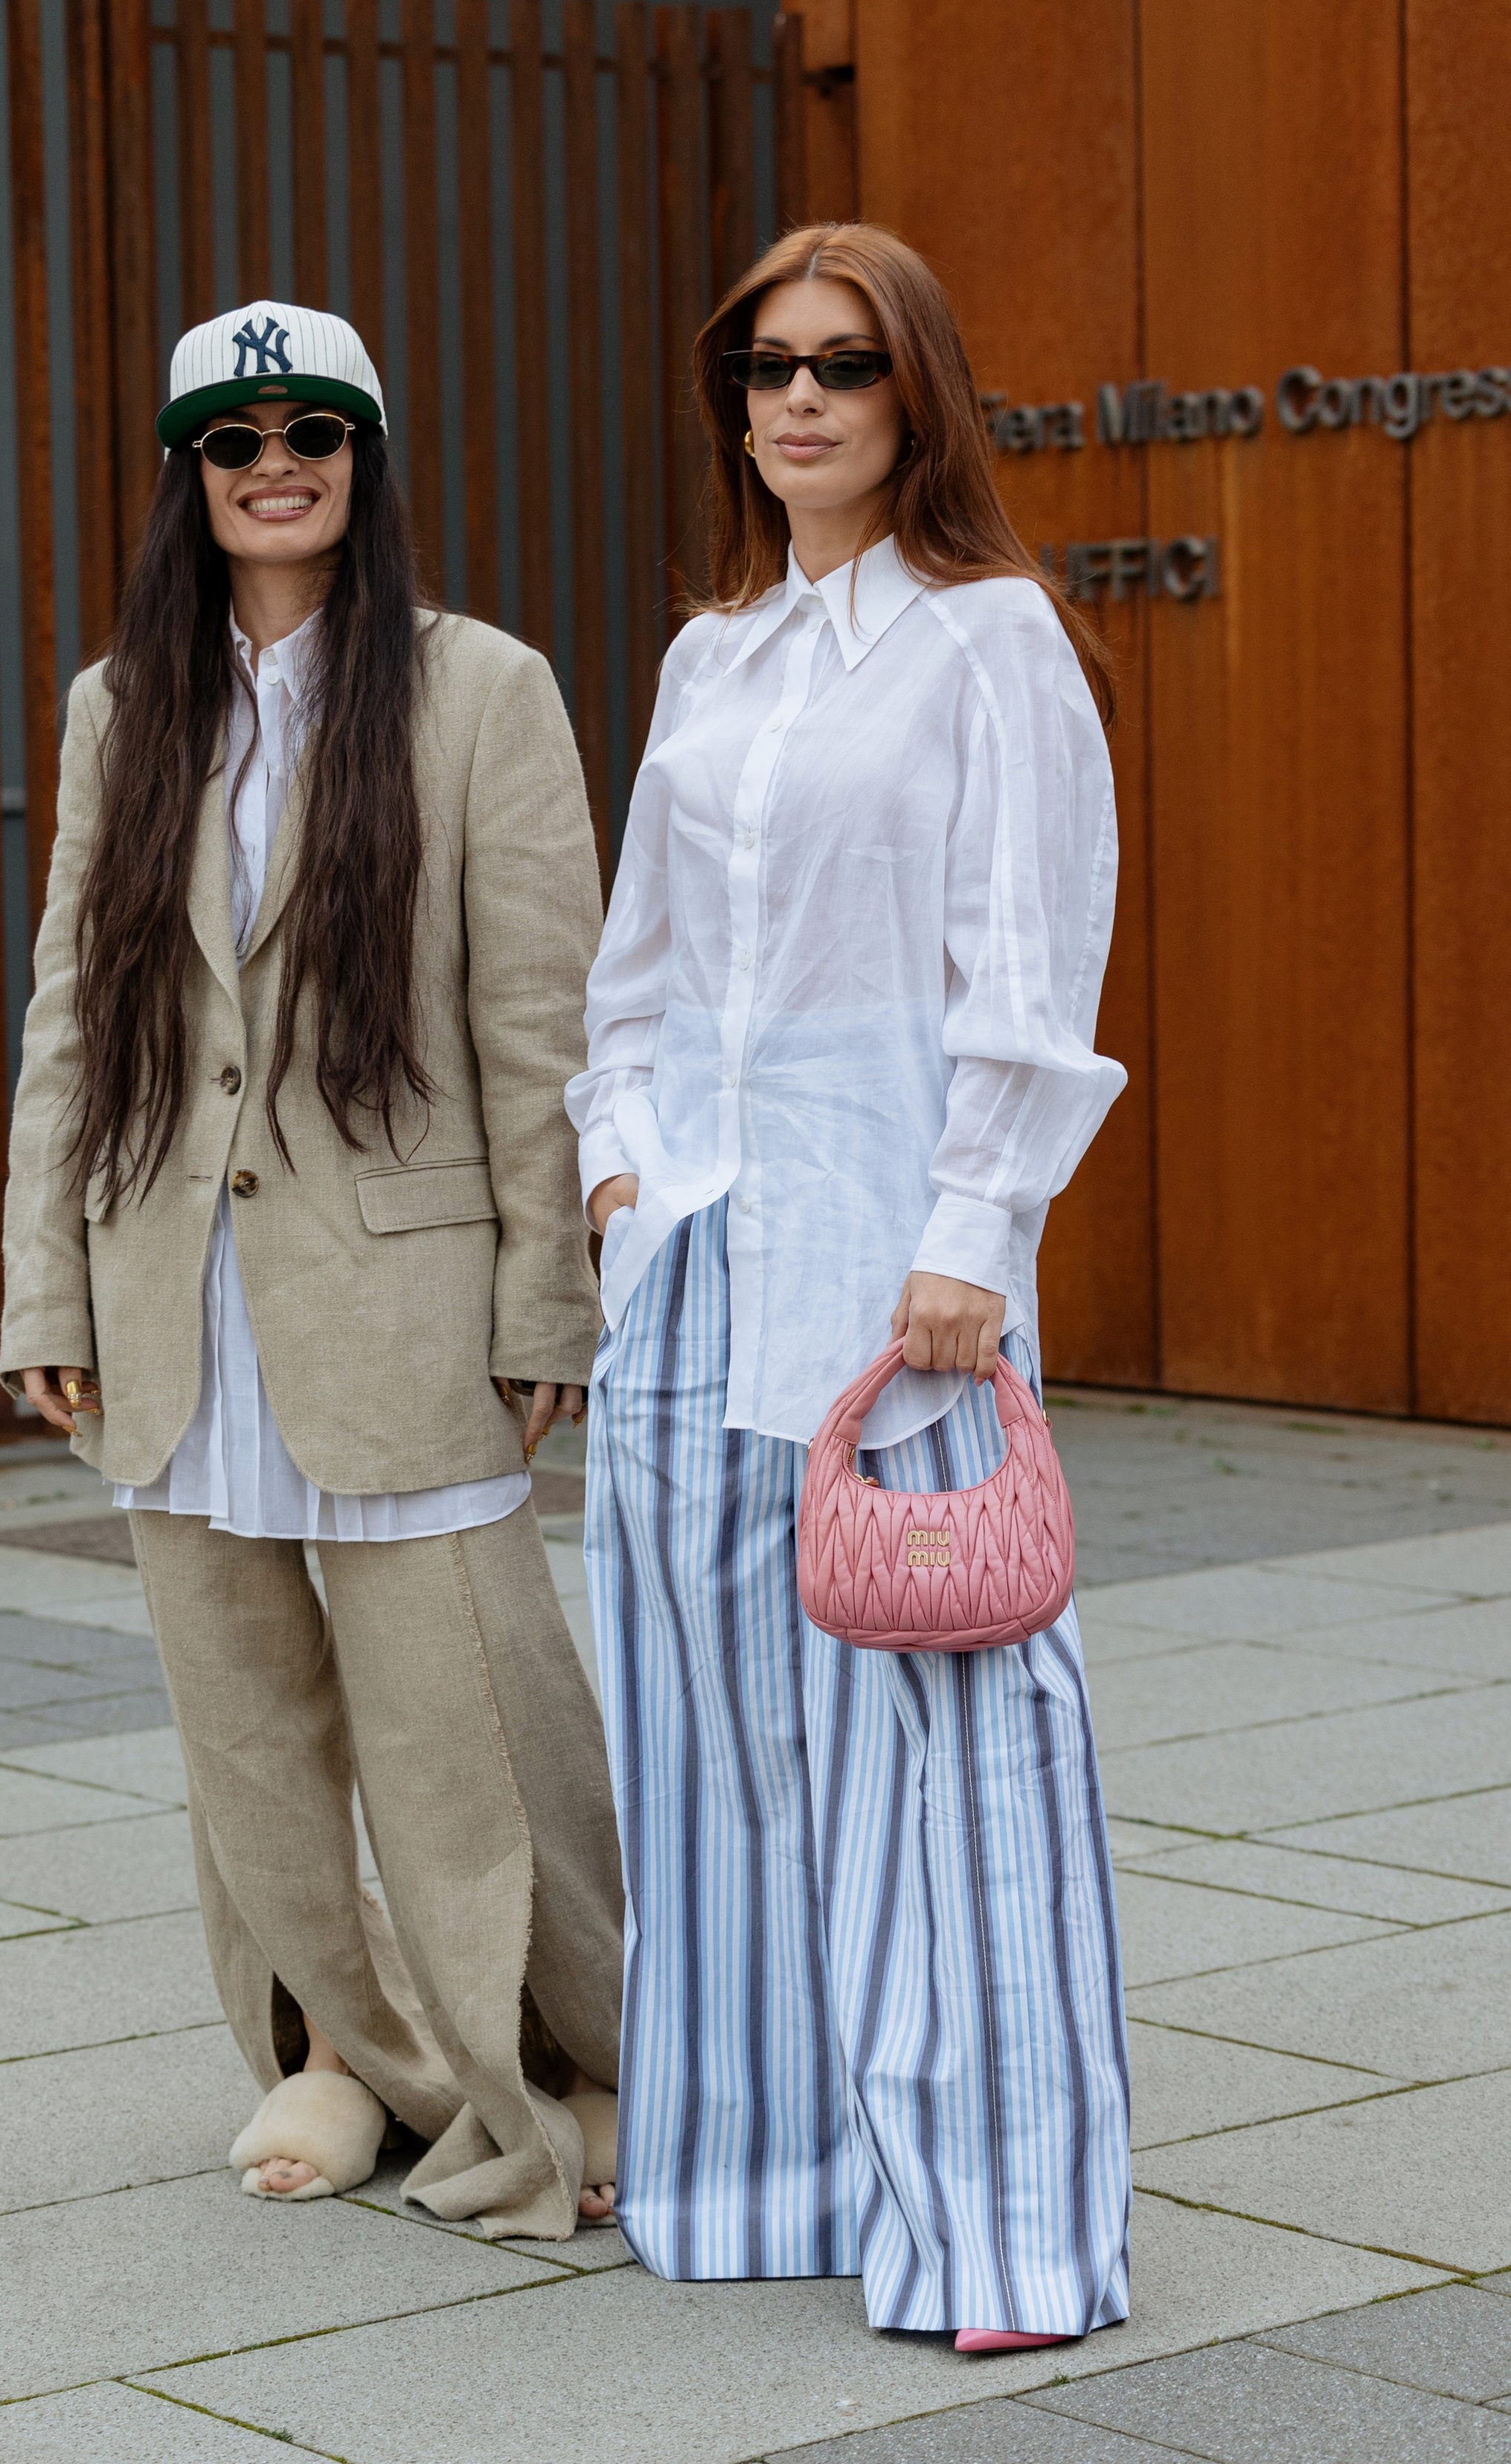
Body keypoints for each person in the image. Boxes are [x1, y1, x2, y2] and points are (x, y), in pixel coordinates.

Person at [1, 299, 623, 2238]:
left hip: (400, 1304)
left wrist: (548, 1308)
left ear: (364, 458)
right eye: (234, 437)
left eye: (315, 431)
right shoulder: (128, 704)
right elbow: (70, 1019)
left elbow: (543, 1026)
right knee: (252, 1752)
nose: (278, 462)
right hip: (175, 1297)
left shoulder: (479, 691)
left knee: (471, 1754)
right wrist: (47, 1288)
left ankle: (565, 2085)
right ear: (188, 478)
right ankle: (345, 2062)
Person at [571, 225, 1132, 2344]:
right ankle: (756, 2186)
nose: (799, 400)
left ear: (919, 398)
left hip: (896, 1290)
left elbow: (1034, 961)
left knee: (945, 1746)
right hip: (697, 1271)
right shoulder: (709, 658)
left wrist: (979, 1234)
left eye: (846, 366)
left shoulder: (989, 642)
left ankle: (999, 2232)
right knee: (711, 1755)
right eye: (765, 368)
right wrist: (625, 1186)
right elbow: (633, 983)